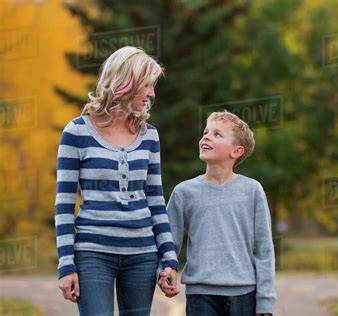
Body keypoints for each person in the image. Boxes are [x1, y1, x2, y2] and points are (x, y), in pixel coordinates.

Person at [54, 46, 179, 315]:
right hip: (92, 253)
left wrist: (169, 258)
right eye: (147, 85)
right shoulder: (76, 132)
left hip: (143, 254)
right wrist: (66, 265)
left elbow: (156, 202)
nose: (152, 94)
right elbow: (64, 206)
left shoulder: (149, 135)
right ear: (127, 82)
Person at [160, 111, 276, 316]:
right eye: (205, 132)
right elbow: (168, 240)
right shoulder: (184, 192)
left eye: (217, 134)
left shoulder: (252, 190)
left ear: (236, 151)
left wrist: (265, 301)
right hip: (200, 295)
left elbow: (264, 249)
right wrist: (163, 269)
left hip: (244, 294)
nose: (206, 136)